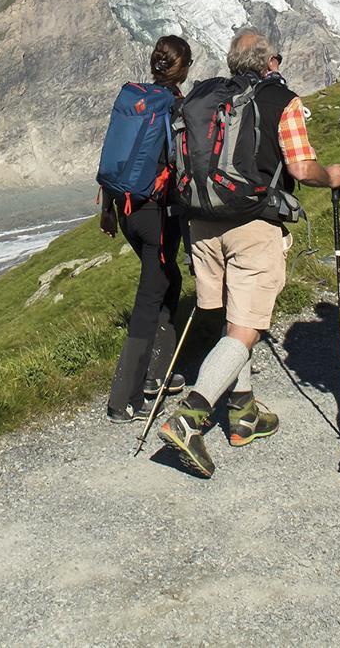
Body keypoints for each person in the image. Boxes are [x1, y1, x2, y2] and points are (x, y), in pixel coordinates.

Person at [156, 29, 340, 477]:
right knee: (246, 328)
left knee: (231, 317)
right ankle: (190, 417)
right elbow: (300, 167)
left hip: (201, 223)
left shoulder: (207, 97)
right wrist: (331, 176)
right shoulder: (282, 100)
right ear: (271, 62)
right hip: (252, 224)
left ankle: (243, 413)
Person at [103, 35, 194, 422]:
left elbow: (114, 153)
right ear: (183, 68)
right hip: (157, 213)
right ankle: (124, 397)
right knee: (149, 298)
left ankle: (159, 372)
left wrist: (107, 209)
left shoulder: (135, 100)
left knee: (168, 280)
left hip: (127, 211)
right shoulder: (174, 107)